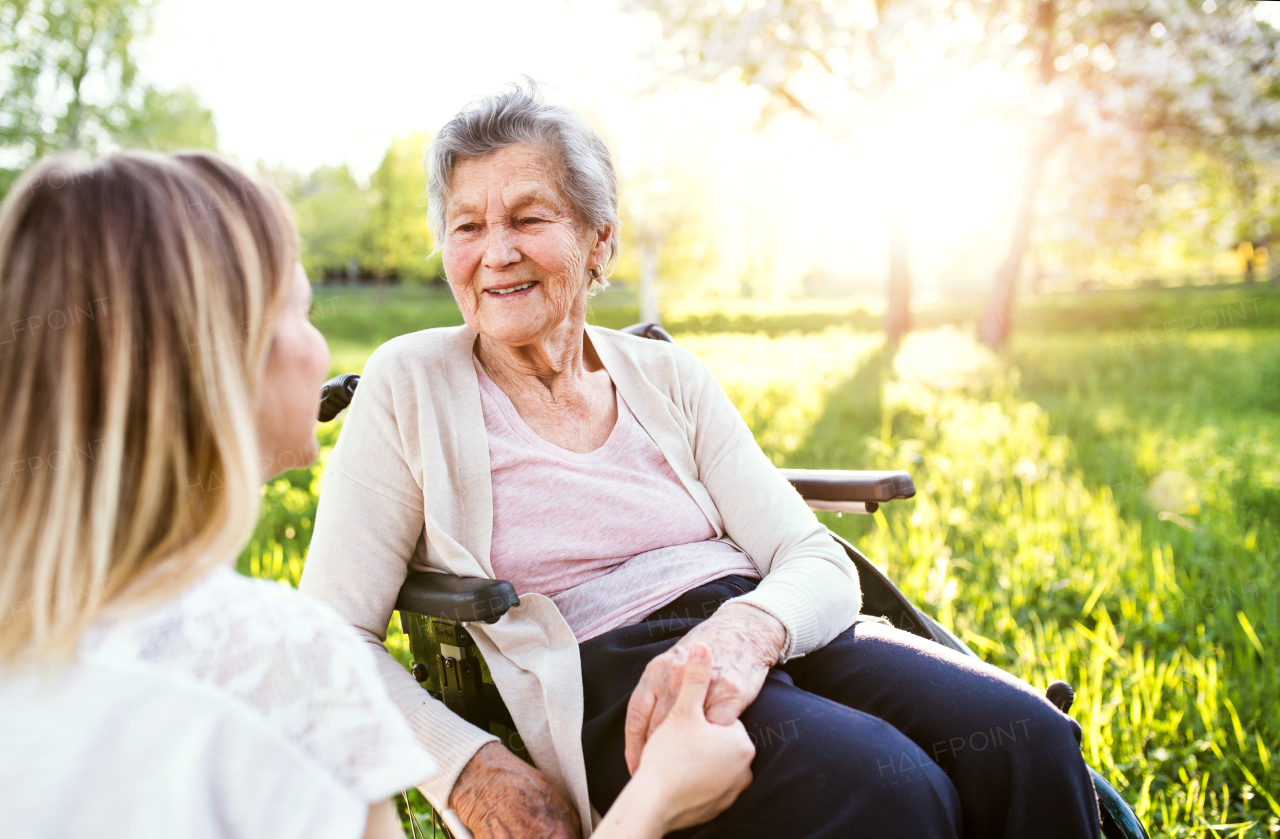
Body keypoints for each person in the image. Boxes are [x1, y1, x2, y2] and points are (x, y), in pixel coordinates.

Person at [300, 79, 1103, 839]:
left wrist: (747, 631)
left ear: (598, 240)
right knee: (890, 785)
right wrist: (465, 767)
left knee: (1029, 737)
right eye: (468, 227)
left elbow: (813, 557)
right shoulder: (410, 380)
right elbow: (330, 635)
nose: (496, 252)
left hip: (765, 625)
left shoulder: (668, 375)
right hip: (616, 675)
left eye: (528, 218)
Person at [0, 151, 753, 839]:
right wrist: (658, 800)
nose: (323, 350)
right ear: (223, 364)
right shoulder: (281, 662)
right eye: (301, 309)